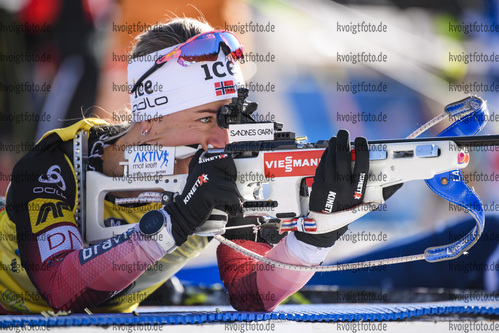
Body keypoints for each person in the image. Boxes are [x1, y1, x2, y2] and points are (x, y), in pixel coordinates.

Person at [0, 17, 375, 314]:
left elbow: (250, 294)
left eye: (231, 118)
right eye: (205, 118)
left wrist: (315, 238)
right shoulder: (54, 163)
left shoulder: (230, 164)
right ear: (149, 117)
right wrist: (173, 223)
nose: (222, 138)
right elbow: (59, 289)